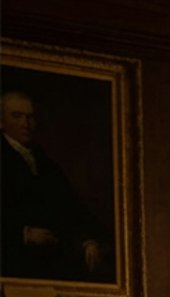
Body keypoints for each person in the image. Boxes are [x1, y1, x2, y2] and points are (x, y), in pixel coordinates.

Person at [1, 87, 105, 281]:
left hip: (50, 261)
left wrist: (87, 240)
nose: (26, 123)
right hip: (12, 262)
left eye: (30, 117)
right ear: (1, 122)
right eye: (17, 116)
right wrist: (24, 234)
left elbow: (72, 206)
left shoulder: (46, 164)